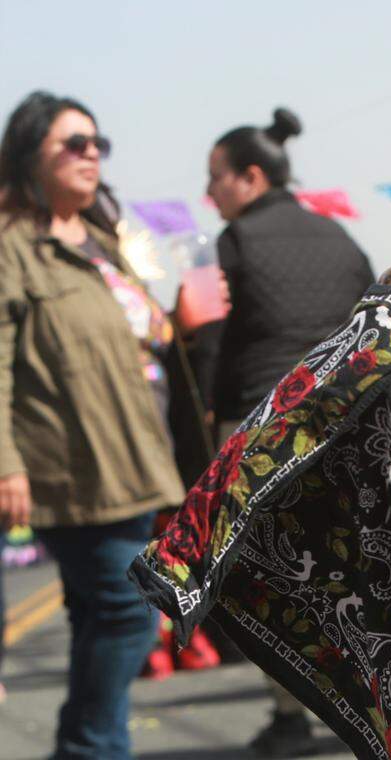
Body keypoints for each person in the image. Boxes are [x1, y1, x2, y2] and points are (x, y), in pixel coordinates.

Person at [0, 91, 184, 759]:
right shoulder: (13, 246)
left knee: (95, 617)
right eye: (72, 143)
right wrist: (6, 461)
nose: (91, 154)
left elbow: (147, 339)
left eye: (96, 143)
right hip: (72, 465)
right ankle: (90, 748)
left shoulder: (106, 243)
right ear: (29, 158)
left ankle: (89, 744)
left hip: (136, 459)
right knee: (127, 612)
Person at [204, 108, 376, 756]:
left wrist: (216, 428)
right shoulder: (339, 236)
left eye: (216, 178)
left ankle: (290, 712)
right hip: (344, 421)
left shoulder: (237, 240)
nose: (210, 194)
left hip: (262, 422)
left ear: (250, 177)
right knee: (345, 568)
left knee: (273, 575)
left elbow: (223, 339)